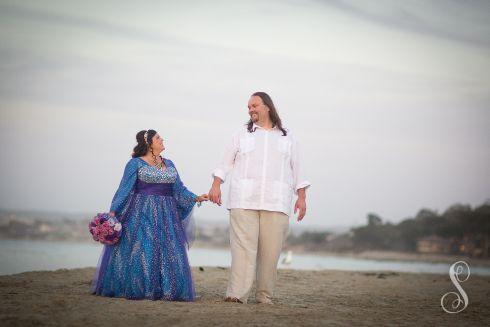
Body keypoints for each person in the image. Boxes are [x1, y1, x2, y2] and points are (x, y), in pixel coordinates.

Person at [208, 92, 310, 304]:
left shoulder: (288, 136)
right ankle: (237, 294)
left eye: (254, 105)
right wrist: (216, 185)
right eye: (248, 107)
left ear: (267, 107)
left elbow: (298, 169)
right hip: (243, 199)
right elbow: (224, 163)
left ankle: (264, 295)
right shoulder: (241, 134)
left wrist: (301, 197)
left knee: (270, 252)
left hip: (277, 201)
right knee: (242, 250)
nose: (250, 109)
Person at [91, 129, 208, 301]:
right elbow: (124, 189)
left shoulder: (170, 163)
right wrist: (112, 213)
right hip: (141, 213)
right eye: (158, 138)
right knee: (144, 250)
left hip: (167, 216)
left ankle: (166, 290)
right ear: (149, 143)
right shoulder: (135, 164)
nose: (162, 140)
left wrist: (196, 197)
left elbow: (179, 189)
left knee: (168, 250)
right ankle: (142, 289)